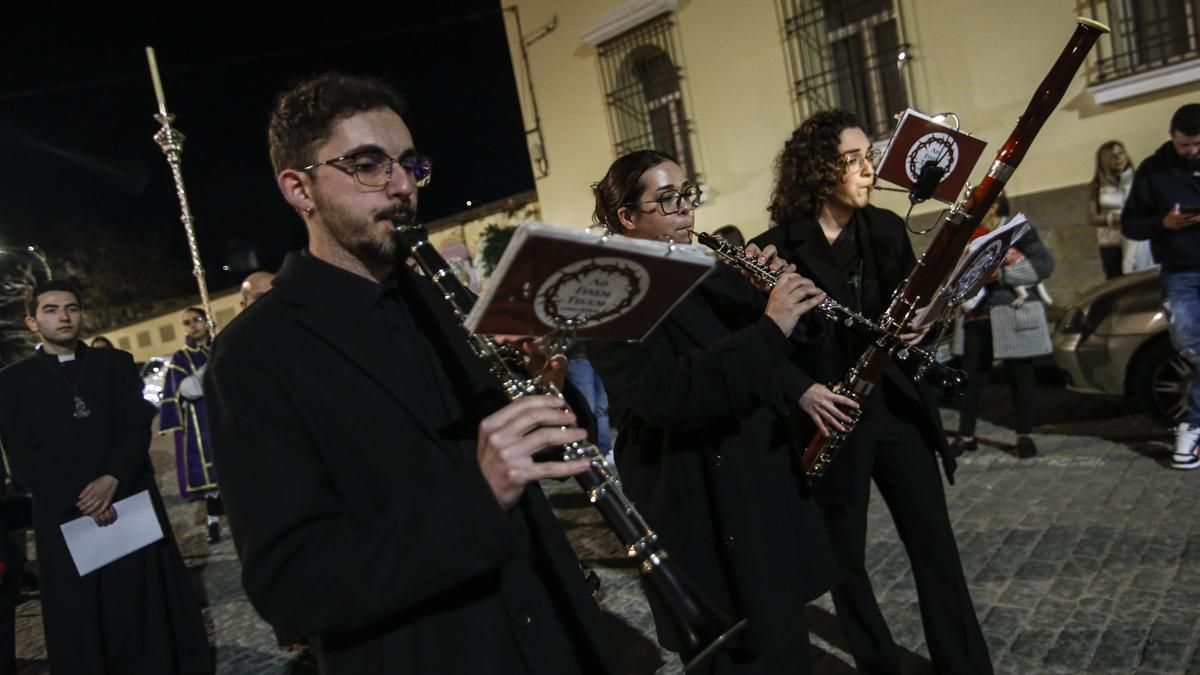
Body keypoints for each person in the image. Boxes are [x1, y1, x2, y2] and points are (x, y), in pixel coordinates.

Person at [203, 72, 621, 675]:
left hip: (555, 638)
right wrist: (478, 497)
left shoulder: (447, 301)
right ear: (299, 189)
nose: (402, 186)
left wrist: (544, 397)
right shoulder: (252, 356)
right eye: (368, 165)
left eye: (409, 164)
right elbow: (292, 586)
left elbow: (532, 454)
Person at [750, 110, 992, 675]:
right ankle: (878, 664)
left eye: (869, 157)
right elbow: (760, 346)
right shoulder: (774, 247)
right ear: (818, 169)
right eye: (853, 160)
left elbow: (915, 309)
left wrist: (925, 323)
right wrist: (803, 390)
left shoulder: (884, 227)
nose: (868, 170)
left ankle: (964, 665)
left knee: (935, 545)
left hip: (896, 405)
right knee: (844, 558)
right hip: (831, 415)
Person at [588, 150, 837, 674]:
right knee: (732, 656)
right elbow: (668, 394)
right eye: (666, 199)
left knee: (786, 645)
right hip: (697, 500)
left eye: (687, 194)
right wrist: (769, 326)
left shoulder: (713, 272)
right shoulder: (610, 296)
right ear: (627, 217)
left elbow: (783, 358)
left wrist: (780, 297)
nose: (685, 208)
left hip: (758, 489)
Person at [0, 280, 212, 674]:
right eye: (51, 310)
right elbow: (22, 453)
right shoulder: (12, 382)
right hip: (66, 513)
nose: (64, 316)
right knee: (83, 613)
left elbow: (135, 426)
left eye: (72, 308)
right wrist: (79, 498)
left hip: (126, 497)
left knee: (143, 600)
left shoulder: (115, 364)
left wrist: (112, 477)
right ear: (32, 321)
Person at [1123, 103, 1200, 470]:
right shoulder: (1152, 170)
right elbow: (1130, 225)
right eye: (1186, 145)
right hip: (1180, 273)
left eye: (1198, 144)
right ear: (1172, 137)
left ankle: (1192, 426)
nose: (1192, 151)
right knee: (1192, 346)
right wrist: (1163, 224)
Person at [951, 193, 1055, 459]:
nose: (971, 212)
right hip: (975, 314)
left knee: (1020, 375)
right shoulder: (967, 233)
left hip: (1011, 310)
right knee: (971, 377)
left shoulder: (1018, 230)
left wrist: (1002, 274)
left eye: (977, 206)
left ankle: (1024, 435)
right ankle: (966, 435)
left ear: (994, 205)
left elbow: (1044, 265)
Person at [159, 307, 222, 543]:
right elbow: (185, 390)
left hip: (228, 417)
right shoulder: (181, 357)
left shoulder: (221, 346)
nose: (193, 325)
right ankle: (213, 523)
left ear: (207, 321)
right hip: (202, 423)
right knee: (212, 479)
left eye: (197, 319)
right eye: (187, 322)